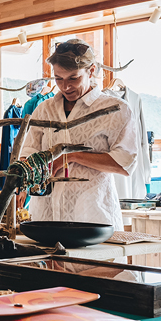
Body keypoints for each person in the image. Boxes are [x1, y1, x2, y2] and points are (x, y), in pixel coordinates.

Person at [19, 39, 138, 230]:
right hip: (45, 217)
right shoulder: (43, 110)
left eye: (73, 78)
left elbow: (124, 163)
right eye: (59, 79)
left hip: (92, 217)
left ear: (91, 71)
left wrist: (70, 157)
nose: (65, 87)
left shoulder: (115, 109)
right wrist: (22, 179)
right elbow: (28, 152)